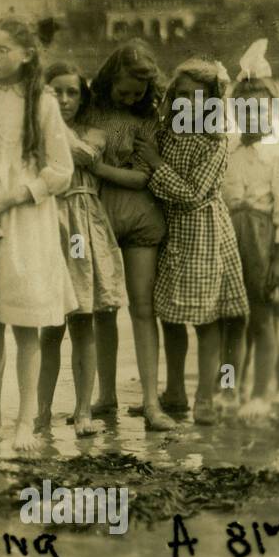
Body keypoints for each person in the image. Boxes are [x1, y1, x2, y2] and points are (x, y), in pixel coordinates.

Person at [0, 16, 77, 452]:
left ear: (27, 55)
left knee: (25, 323)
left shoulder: (43, 104)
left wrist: (13, 196)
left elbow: (62, 171)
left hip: (26, 221)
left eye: (3, 50)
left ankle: (24, 419)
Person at [135, 57, 249, 426]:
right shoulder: (168, 131)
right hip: (171, 233)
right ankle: (174, 391)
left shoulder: (215, 141)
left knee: (205, 318)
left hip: (203, 233)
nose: (186, 103)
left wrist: (153, 168)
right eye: (180, 94)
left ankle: (204, 396)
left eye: (197, 98)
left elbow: (193, 193)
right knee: (169, 315)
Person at [82, 40, 176, 430]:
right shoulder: (90, 108)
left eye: (138, 93)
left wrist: (101, 169)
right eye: (123, 91)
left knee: (142, 308)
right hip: (98, 216)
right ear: (109, 81)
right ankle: (106, 396)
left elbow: (145, 176)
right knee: (103, 308)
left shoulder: (151, 118)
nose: (130, 97)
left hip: (141, 219)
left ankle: (152, 403)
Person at [35, 62, 127, 437]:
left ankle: (83, 410)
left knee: (84, 318)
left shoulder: (93, 133)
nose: (65, 98)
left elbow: (86, 156)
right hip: (47, 222)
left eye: (73, 92)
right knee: (50, 325)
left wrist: (46, 117)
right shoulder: (37, 132)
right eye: (56, 91)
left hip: (84, 224)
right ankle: (40, 412)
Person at [220, 40, 279, 418]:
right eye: (243, 109)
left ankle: (261, 394)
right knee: (231, 320)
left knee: (264, 316)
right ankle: (228, 390)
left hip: (263, 242)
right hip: (229, 240)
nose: (251, 117)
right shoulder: (230, 151)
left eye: (259, 110)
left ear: (271, 111)